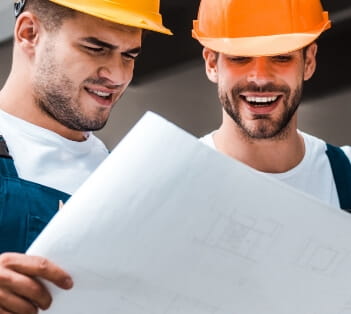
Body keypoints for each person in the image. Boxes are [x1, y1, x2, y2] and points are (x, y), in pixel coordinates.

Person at [0, 0, 171, 312]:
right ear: (28, 33)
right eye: (96, 48)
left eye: (129, 55)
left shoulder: (133, 181)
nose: (118, 75)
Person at [192, 0, 351, 210]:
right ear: (212, 63)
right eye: (240, 58)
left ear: (309, 62)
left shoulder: (346, 173)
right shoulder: (174, 183)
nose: (260, 78)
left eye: (281, 57)